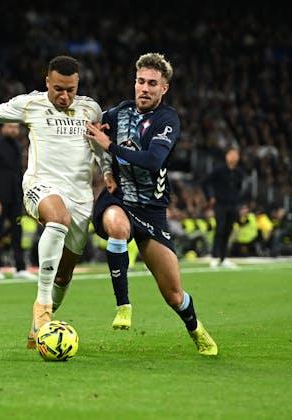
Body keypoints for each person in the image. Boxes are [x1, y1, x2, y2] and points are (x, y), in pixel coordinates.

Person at [0, 55, 113, 348]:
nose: (64, 96)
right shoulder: (30, 104)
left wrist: (108, 173)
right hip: (42, 185)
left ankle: (37, 329)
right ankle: (42, 306)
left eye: (71, 90)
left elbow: (98, 147)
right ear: (47, 82)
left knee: (64, 274)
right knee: (58, 219)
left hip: (80, 195)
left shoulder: (91, 109)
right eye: (58, 89)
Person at [81, 52, 218, 355]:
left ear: (164, 88)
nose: (144, 88)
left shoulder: (167, 120)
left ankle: (196, 329)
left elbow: (154, 160)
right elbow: (91, 131)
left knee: (174, 295)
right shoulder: (118, 113)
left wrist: (110, 146)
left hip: (152, 210)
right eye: (140, 81)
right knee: (117, 226)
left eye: (152, 83)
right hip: (118, 199)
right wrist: (105, 163)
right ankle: (123, 305)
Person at [0, 122, 35, 280]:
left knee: (17, 231)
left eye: (15, 127)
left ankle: (20, 268)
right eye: (10, 127)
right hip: (1, 196)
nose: (13, 130)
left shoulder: (17, 146)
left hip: (15, 196)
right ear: (3, 128)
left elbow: (18, 173)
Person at [202, 145, 245, 268]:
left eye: (236, 155)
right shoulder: (219, 170)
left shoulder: (238, 172)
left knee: (228, 230)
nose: (234, 157)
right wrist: (210, 196)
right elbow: (205, 183)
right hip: (220, 204)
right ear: (226, 156)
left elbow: (239, 188)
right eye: (231, 154)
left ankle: (224, 257)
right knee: (219, 229)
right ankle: (215, 256)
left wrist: (238, 201)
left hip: (232, 205)